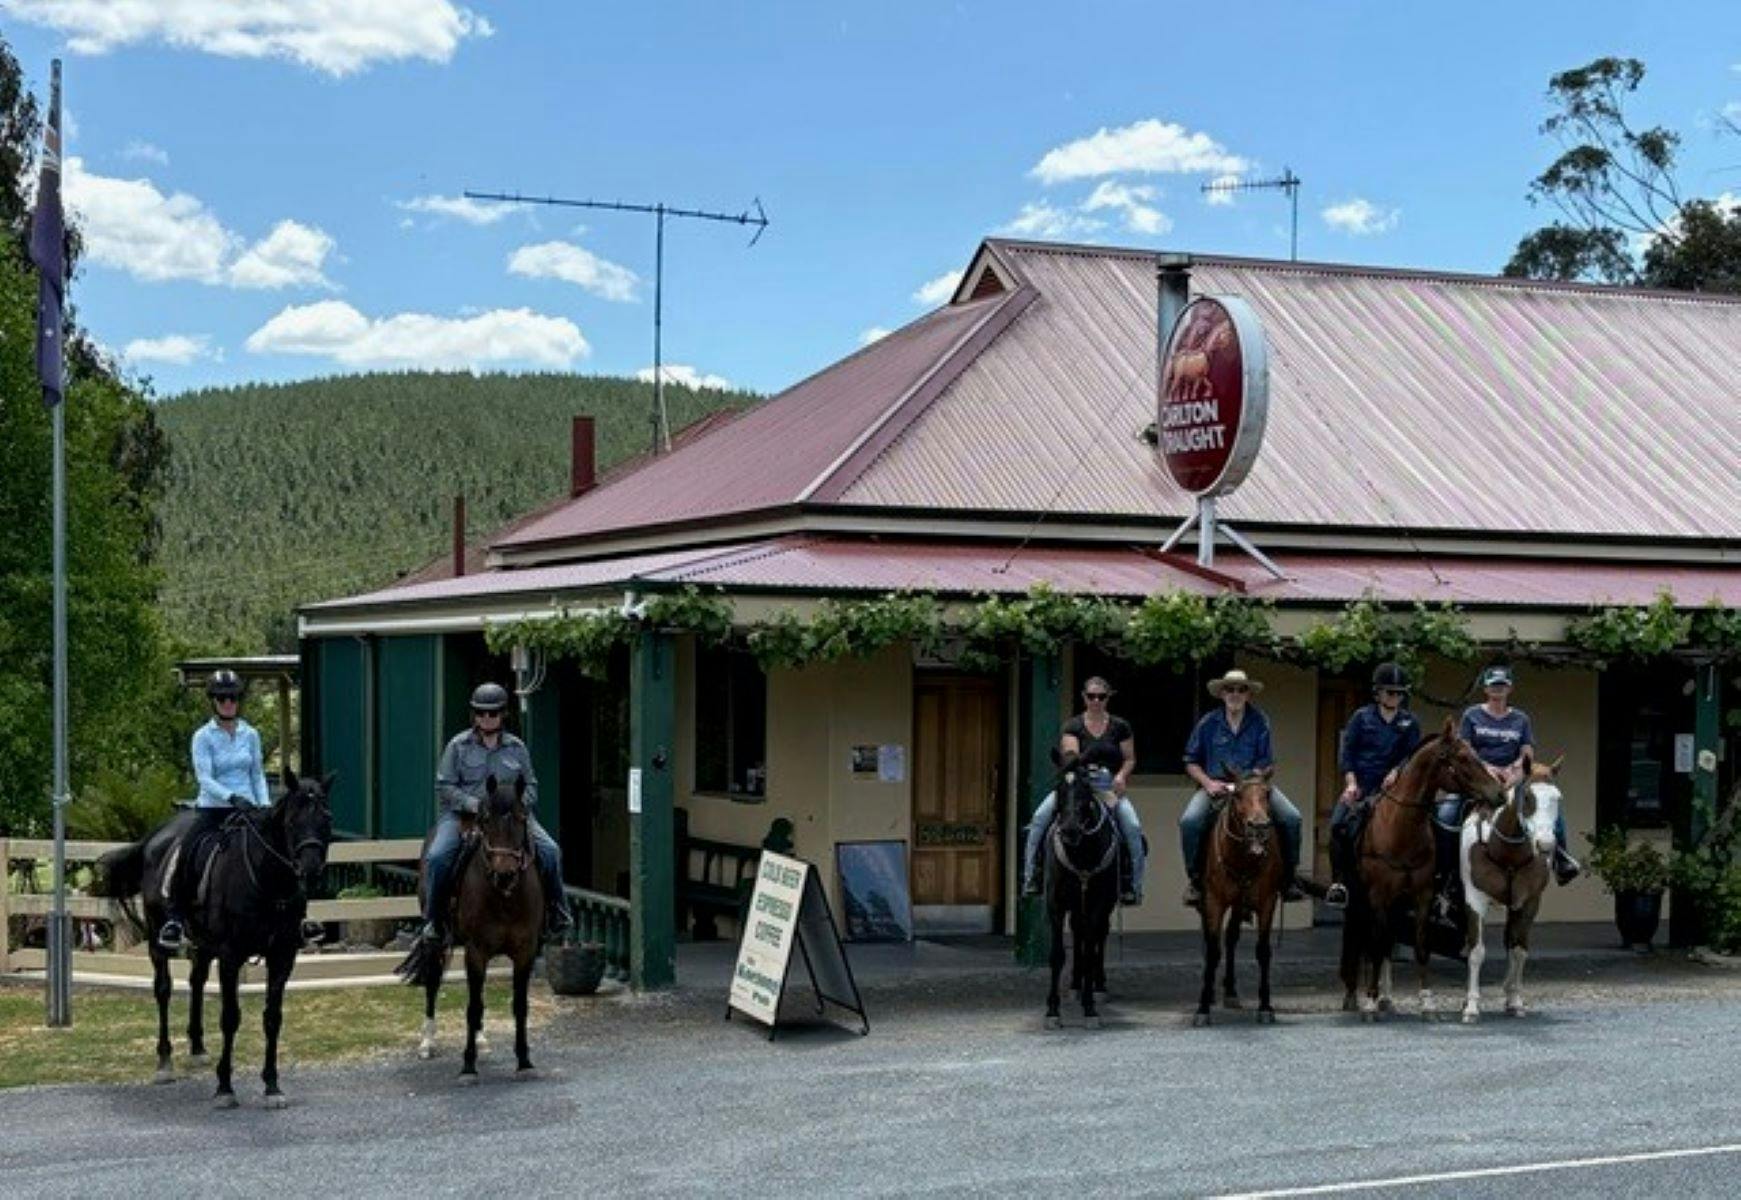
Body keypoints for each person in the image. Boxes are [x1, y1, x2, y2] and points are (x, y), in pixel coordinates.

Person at [418, 683, 572, 945]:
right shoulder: (458, 745)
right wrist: (473, 804)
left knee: (550, 851)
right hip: (464, 816)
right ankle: (433, 920)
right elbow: (444, 786)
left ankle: (558, 912)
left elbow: (531, 784)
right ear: (474, 715)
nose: (486, 719)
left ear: (503, 714)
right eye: (480, 713)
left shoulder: (517, 748)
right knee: (436, 856)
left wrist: (520, 804)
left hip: (510, 816)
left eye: (492, 714)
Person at [157, 669, 273, 951]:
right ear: (213, 701)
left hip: (249, 810)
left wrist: (264, 805)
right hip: (213, 809)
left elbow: (257, 773)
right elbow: (205, 778)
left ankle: (296, 917)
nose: (228, 703)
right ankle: (174, 918)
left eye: (232, 697)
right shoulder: (202, 737)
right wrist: (231, 797)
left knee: (279, 852)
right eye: (222, 698)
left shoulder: (251, 734)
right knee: (187, 852)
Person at [1179, 669, 1305, 907]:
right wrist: (1207, 783)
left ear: (1248, 695)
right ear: (1222, 694)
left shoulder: (1260, 721)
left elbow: (1267, 762)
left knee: (1292, 818)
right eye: (1230, 689)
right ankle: (1195, 880)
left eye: (1241, 689)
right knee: (1190, 821)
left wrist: (1252, 781)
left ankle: (1289, 879)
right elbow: (1190, 761)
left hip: (1252, 788)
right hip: (1215, 786)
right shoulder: (1207, 723)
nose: (1235, 694)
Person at [1021, 677, 1146, 905]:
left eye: (1101, 696)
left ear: (1108, 698)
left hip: (1107, 784)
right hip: (1078, 782)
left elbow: (1129, 758)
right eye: (1091, 696)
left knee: (1132, 826)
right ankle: (1032, 875)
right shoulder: (1073, 726)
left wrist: (1121, 776)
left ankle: (1132, 884)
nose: (1096, 701)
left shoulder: (1120, 726)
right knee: (1039, 818)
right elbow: (1070, 757)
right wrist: (1081, 763)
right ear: (1084, 697)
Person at [1452, 665, 1579, 885]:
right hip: (1479, 780)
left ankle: (1562, 858)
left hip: (1512, 778)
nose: (1498, 690)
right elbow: (1465, 749)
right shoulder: (1472, 715)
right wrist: (1487, 768)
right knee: (1448, 812)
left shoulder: (1521, 719)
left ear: (1510, 688)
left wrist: (1515, 768)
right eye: (1494, 685)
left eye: (1502, 685)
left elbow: (1527, 751)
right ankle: (1447, 870)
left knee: (1548, 804)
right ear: (1485, 688)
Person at [1324, 663, 1422, 909]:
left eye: (1400, 693)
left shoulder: (1410, 722)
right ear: (1378, 693)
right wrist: (1351, 783)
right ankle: (1339, 882)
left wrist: (1397, 771)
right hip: (1363, 784)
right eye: (1390, 692)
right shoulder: (1361, 717)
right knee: (1337, 824)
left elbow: (1412, 756)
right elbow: (1348, 753)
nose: (1395, 697)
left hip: (1394, 789)